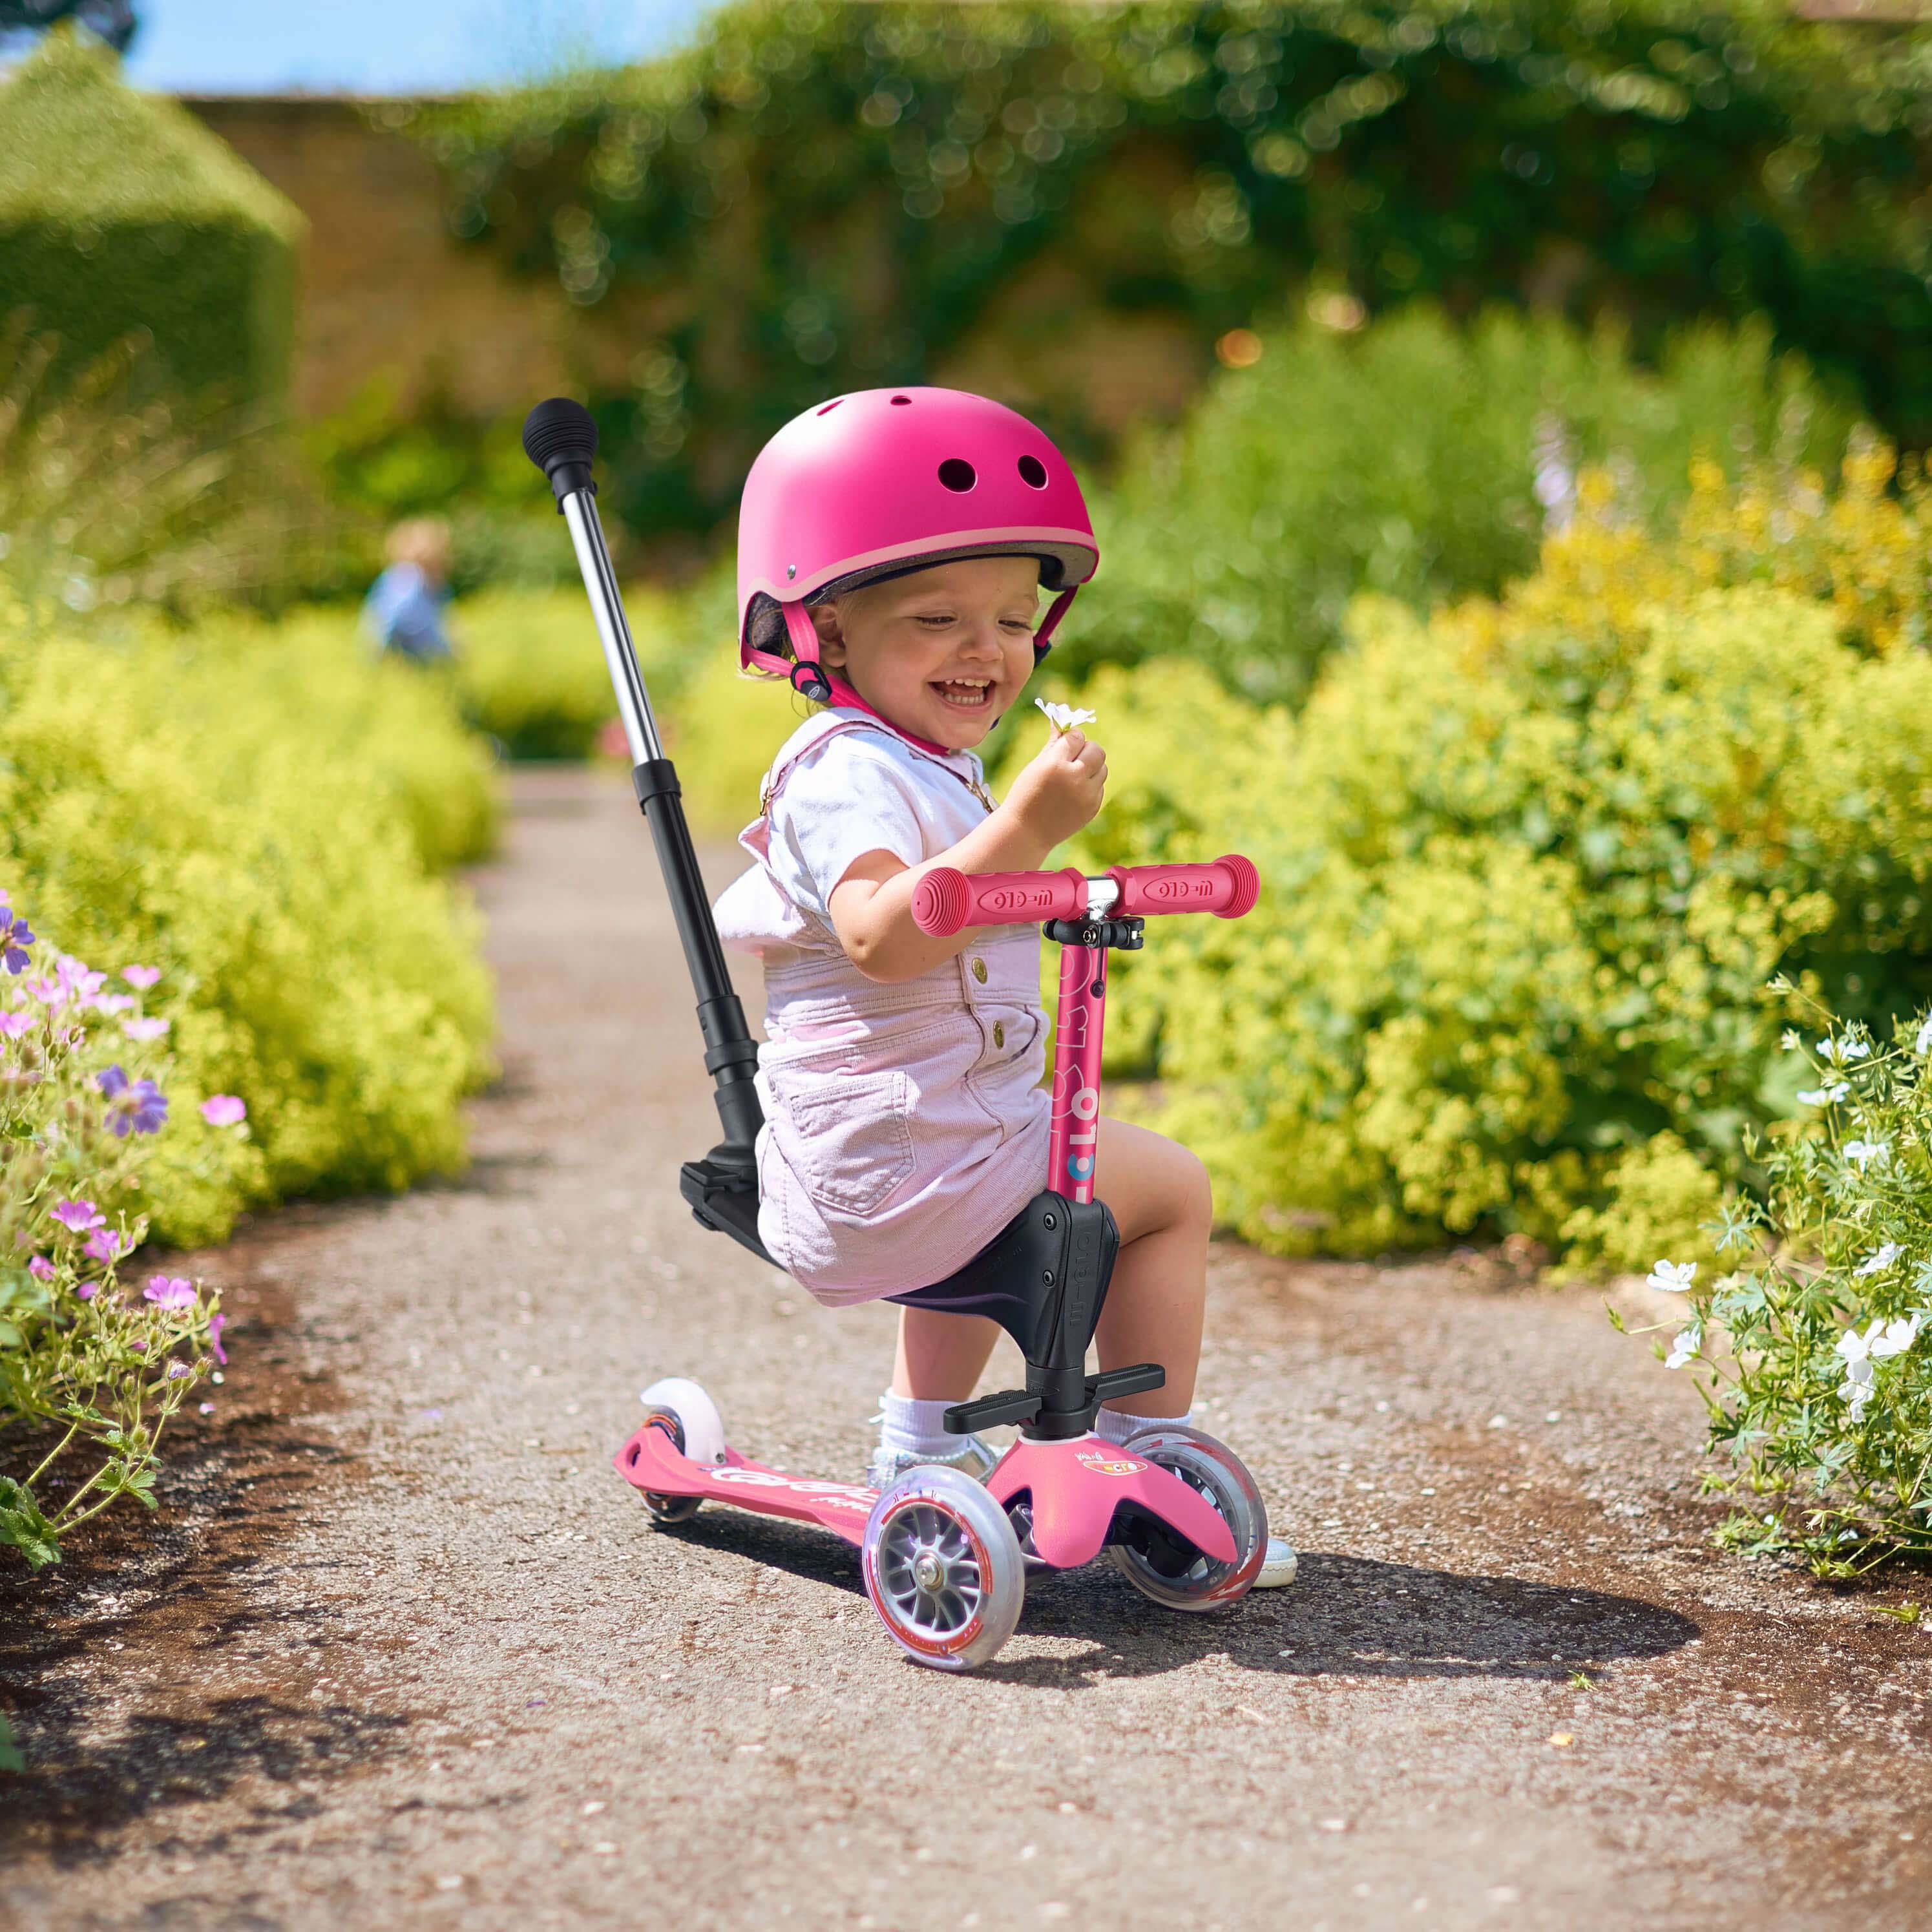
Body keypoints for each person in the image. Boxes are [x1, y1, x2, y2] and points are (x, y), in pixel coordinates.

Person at [713, 387, 1292, 1585]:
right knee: (1166, 1191)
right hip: (893, 1169)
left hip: (919, 1155)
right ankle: (1147, 1459)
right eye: (936, 619)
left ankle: (920, 1448)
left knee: (1009, 1181)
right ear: (826, 633)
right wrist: (1027, 827)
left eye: (1013, 620)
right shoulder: (841, 774)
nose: (984, 649)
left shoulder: (921, 763)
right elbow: (882, 935)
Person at [361, 518, 456, 664]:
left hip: (411, 648)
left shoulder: (432, 585)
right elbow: (393, 620)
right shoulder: (407, 578)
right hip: (408, 648)